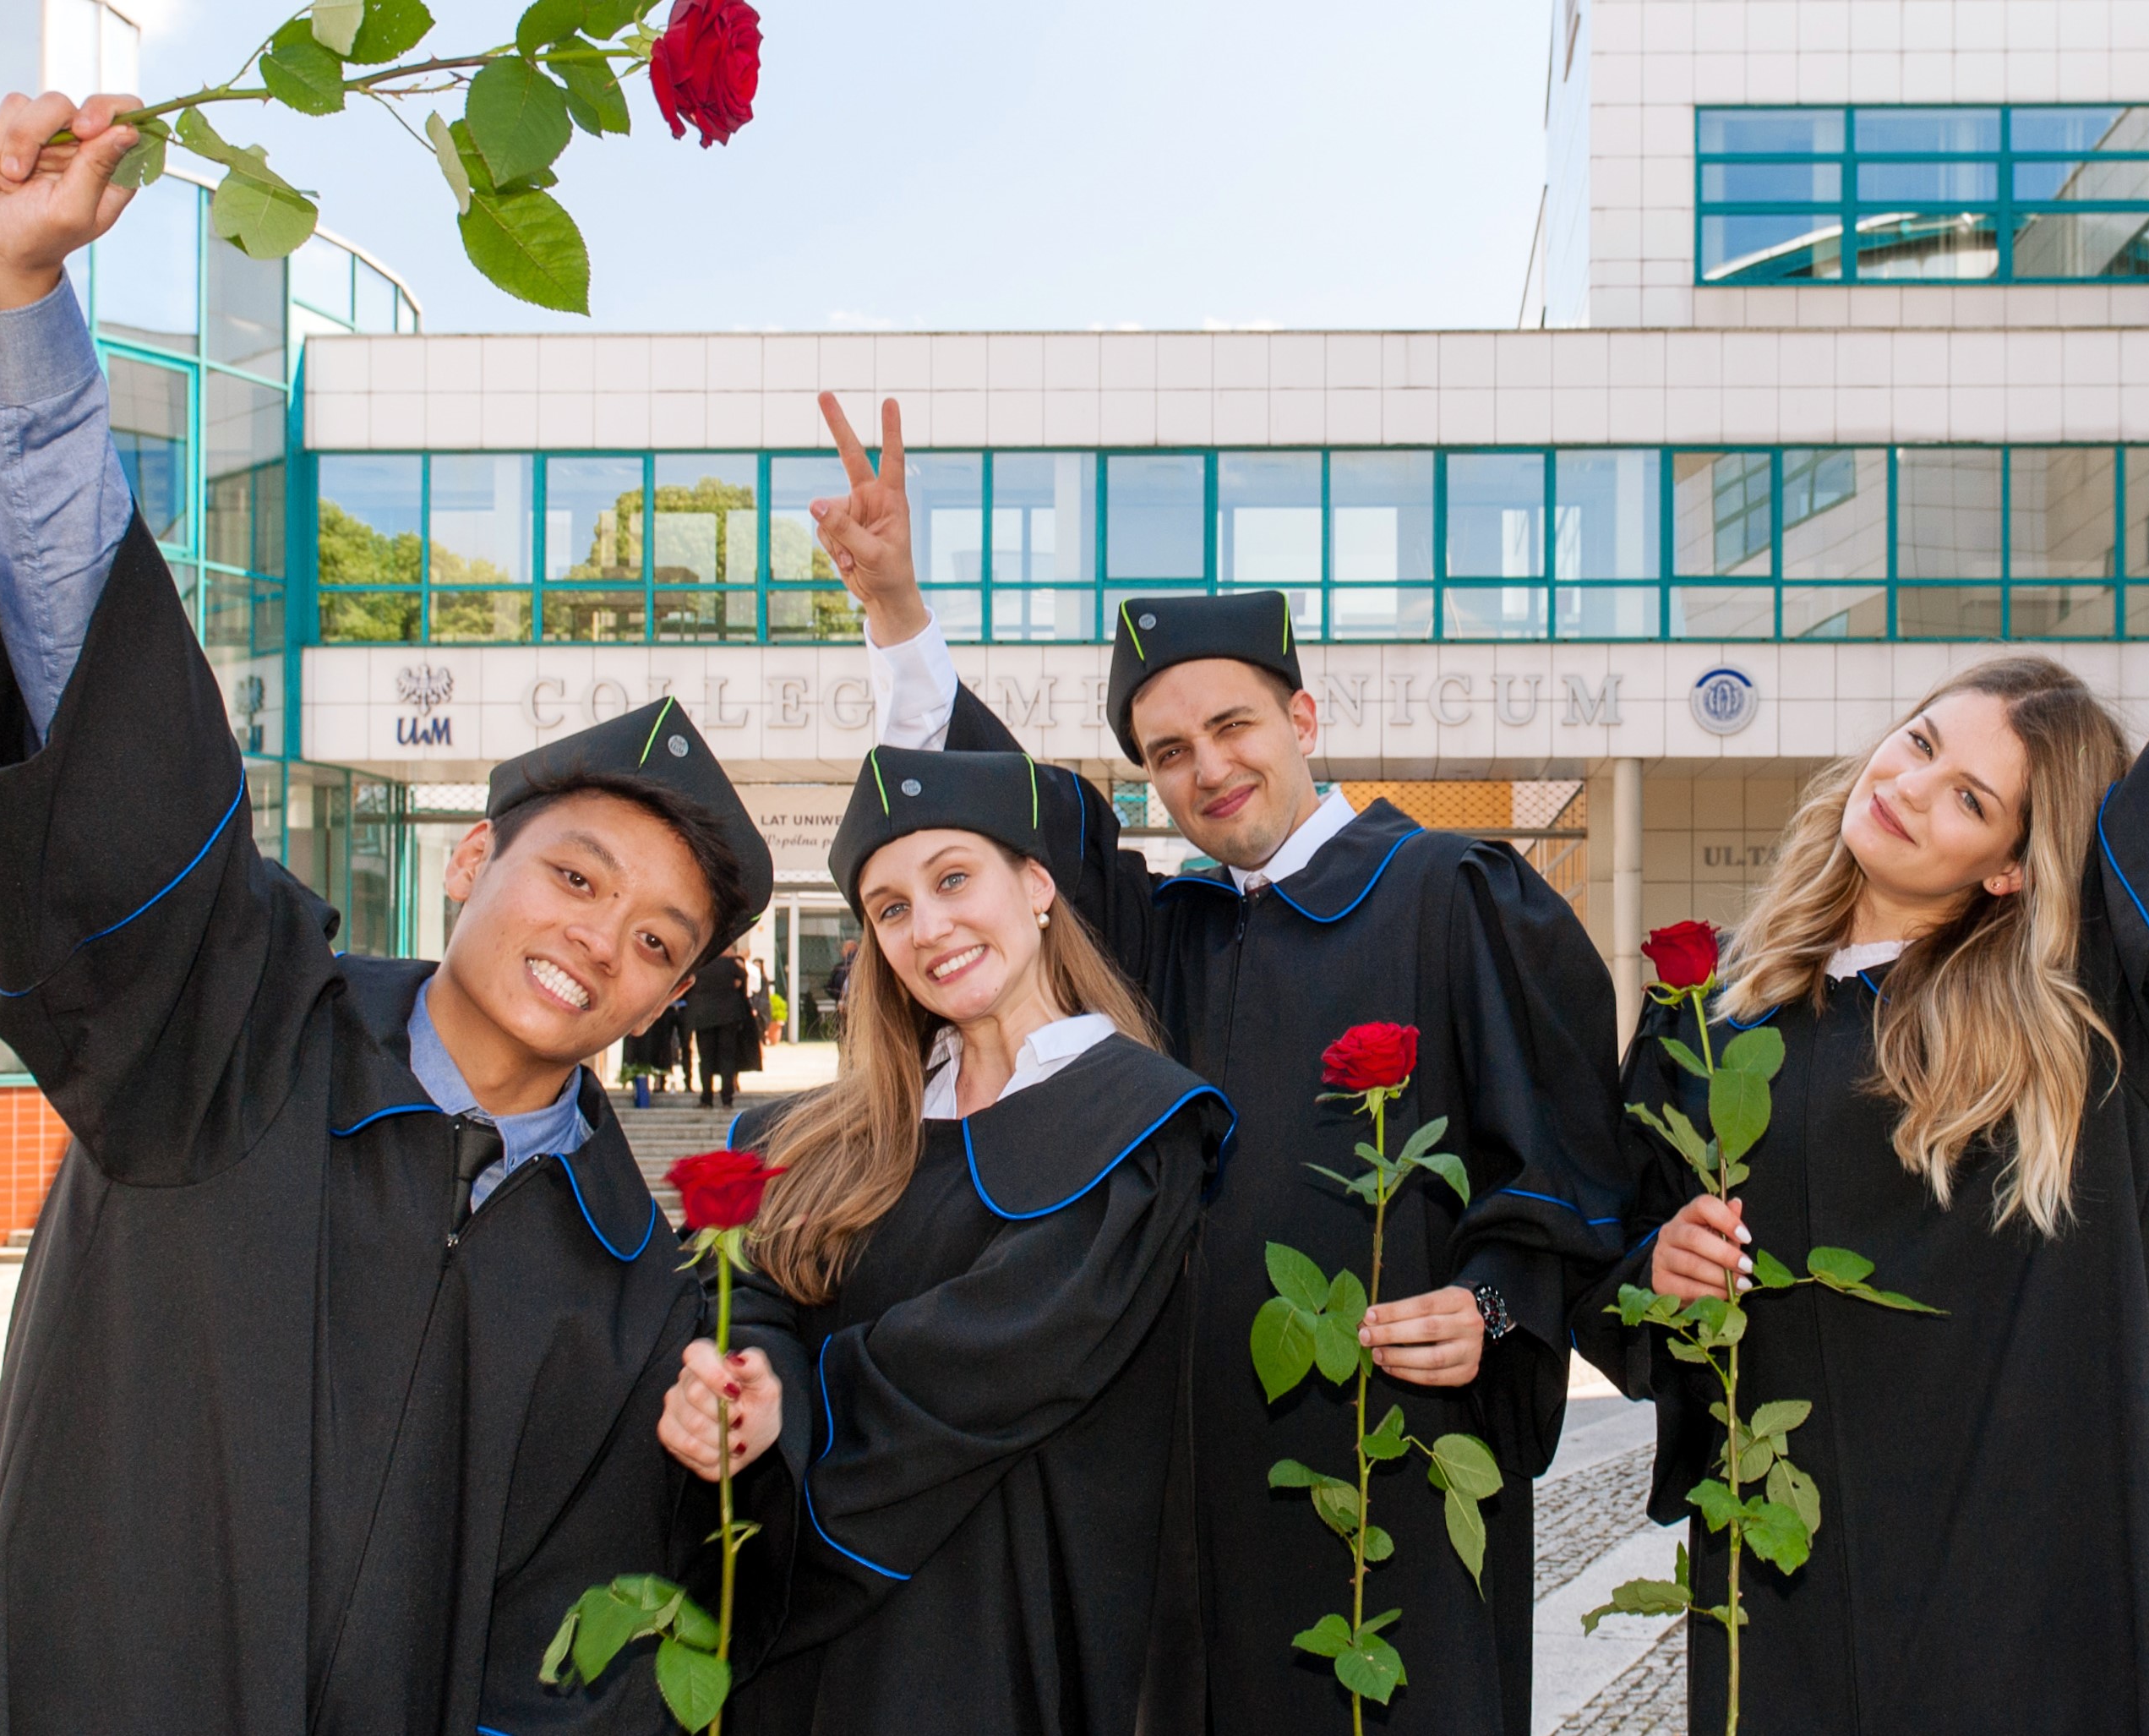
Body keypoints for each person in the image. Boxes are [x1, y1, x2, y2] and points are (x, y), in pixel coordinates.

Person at [0, 91, 785, 1736]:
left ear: (666, 1001)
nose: (600, 937)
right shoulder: (226, 1033)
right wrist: (20, 317)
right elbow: (121, 743)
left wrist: (729, 1450)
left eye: (656, 940)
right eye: (577, 874)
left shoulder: (624, 1286)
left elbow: (575, 1654)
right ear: (470, 860)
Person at [1584, 308, 2149, 1734]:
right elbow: (1615, 1261)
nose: (1910, 783)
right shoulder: (1715, 1010)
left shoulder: (2085, 1010)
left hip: (2027, 1579)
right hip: (1788, 1561)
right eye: (1922, 741)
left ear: (2011, 861)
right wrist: (1660, 1260)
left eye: (1968, 797)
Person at [808, 398, 1632, 1734]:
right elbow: (994, 828)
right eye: (1169, 753)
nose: (1210, 769)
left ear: (1303, 710)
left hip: (1385, 1452)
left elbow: (1568, 1164)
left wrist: (1489, 1305)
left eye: (1233, 725)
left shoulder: (1453, 895)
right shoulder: (1165, 933)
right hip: (1178, 1472)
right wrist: (898, 607)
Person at [686, 746, 1228, 1734]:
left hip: (994, 1627)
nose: (927, 927)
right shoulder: (819, 1135)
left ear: (1034, 884)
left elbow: (991, 1359)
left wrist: (799, 1400)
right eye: (890, 907)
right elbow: (749, 1299)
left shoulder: (1138, 1123)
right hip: (801, 1660)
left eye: (951, 878)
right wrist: (751, 1382)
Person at [685, 942, 765, 1106]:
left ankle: (706, 1098)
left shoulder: (700, 965)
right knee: (727, 1057)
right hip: (729, 1017)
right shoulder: (731, 965)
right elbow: (743, 981)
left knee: (705, 1058)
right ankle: (727, 1097)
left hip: (704, 1018)